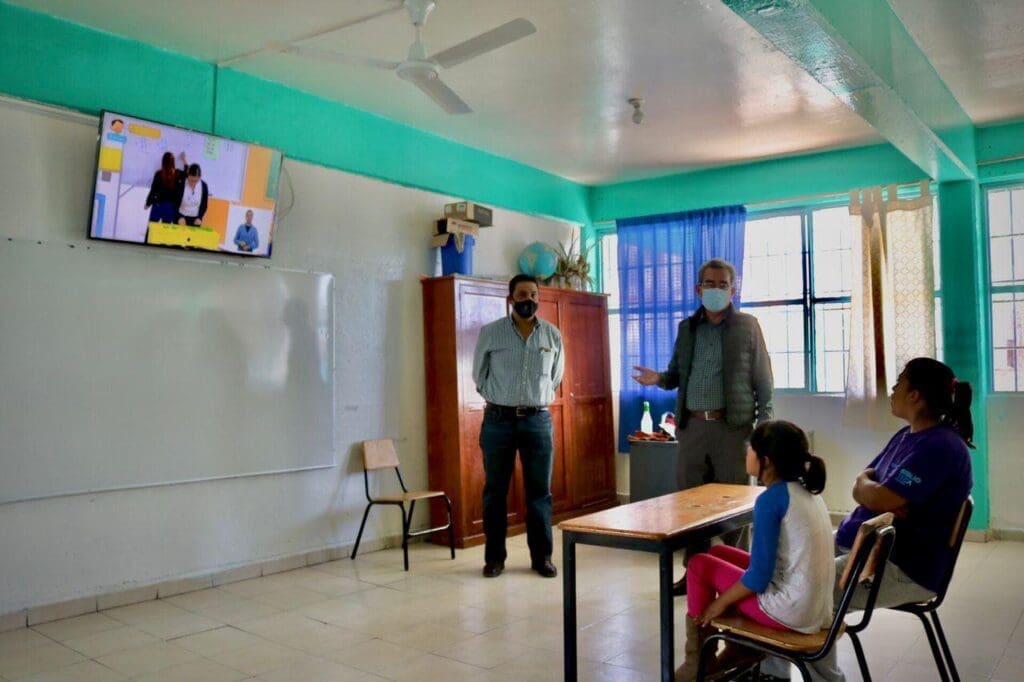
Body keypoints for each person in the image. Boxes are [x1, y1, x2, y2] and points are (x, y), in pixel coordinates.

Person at [632, 257, 773, 595]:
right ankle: (695, 574)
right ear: (698, 289)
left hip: (733, 430)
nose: (716, 290)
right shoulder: (687, 328)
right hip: (692, 429)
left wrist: (764, 429)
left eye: (723, 284)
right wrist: (657, 379)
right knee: (690, 508)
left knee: (735, 505)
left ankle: (738, 576)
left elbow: (763, 380)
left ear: (733, 290)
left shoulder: (748, 327)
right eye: (709, 284)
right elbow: (675, 375)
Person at [674, 420, 834, 681]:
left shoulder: (771, 500)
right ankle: (740, 649)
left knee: (698, 565)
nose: (746, 452)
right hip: (815, 608)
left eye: (750, 448)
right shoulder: (806, 492)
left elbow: (759, 577)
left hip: (792, 611)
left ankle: (699, 662)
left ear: (766, 461)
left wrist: (719, 603)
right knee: (718, 555)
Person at [836, 357, 974, 609]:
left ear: (914, 395)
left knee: (803, 592)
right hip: (863, 543)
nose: (892, 389)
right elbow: (865, 483)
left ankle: (814, 633)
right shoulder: (907, 435)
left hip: (899, 564)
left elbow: (879, 498)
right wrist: (868, 486)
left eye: (899, 382)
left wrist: (875, 492)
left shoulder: (940, 446)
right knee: (789, 569)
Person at [472, 274, 564, 579]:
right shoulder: (491, 333)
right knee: (495, 492)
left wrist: (534, 400)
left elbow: (556, 377)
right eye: (522, 294)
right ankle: (494, 559)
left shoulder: (552, 335)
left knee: (540, 493)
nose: (529, 300)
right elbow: (479, 375)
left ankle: (542, 558)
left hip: (537, 421)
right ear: (511, 299)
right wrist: (501, 400)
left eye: (534, 294)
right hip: (498, 421)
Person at [144, 151, 186, 226]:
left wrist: (148, 203)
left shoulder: (158, 174)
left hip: (157, 205)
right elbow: (187, 174)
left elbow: (153, 190)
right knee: (165, 230)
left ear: (163, 161)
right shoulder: (178, 174)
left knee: (151, 229)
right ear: (173, 162)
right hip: (170, 208)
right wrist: (184, 160)